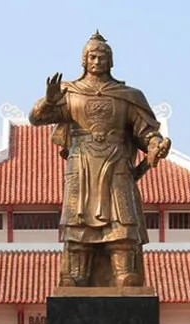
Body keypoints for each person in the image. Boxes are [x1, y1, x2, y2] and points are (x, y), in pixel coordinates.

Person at [28, 31, 171, 288]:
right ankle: (75, 275)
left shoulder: (128, 95)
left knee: (122, 219)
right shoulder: (69, 93)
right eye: (92, 56)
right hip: (81, 163)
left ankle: (125, 274)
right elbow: (36, 119)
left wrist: (155, 143)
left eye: (102, 56)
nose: (97, 61)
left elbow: (146, 132)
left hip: (116, 161)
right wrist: (48, 101)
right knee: (77, 219)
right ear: (84, 60)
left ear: (111, 61)